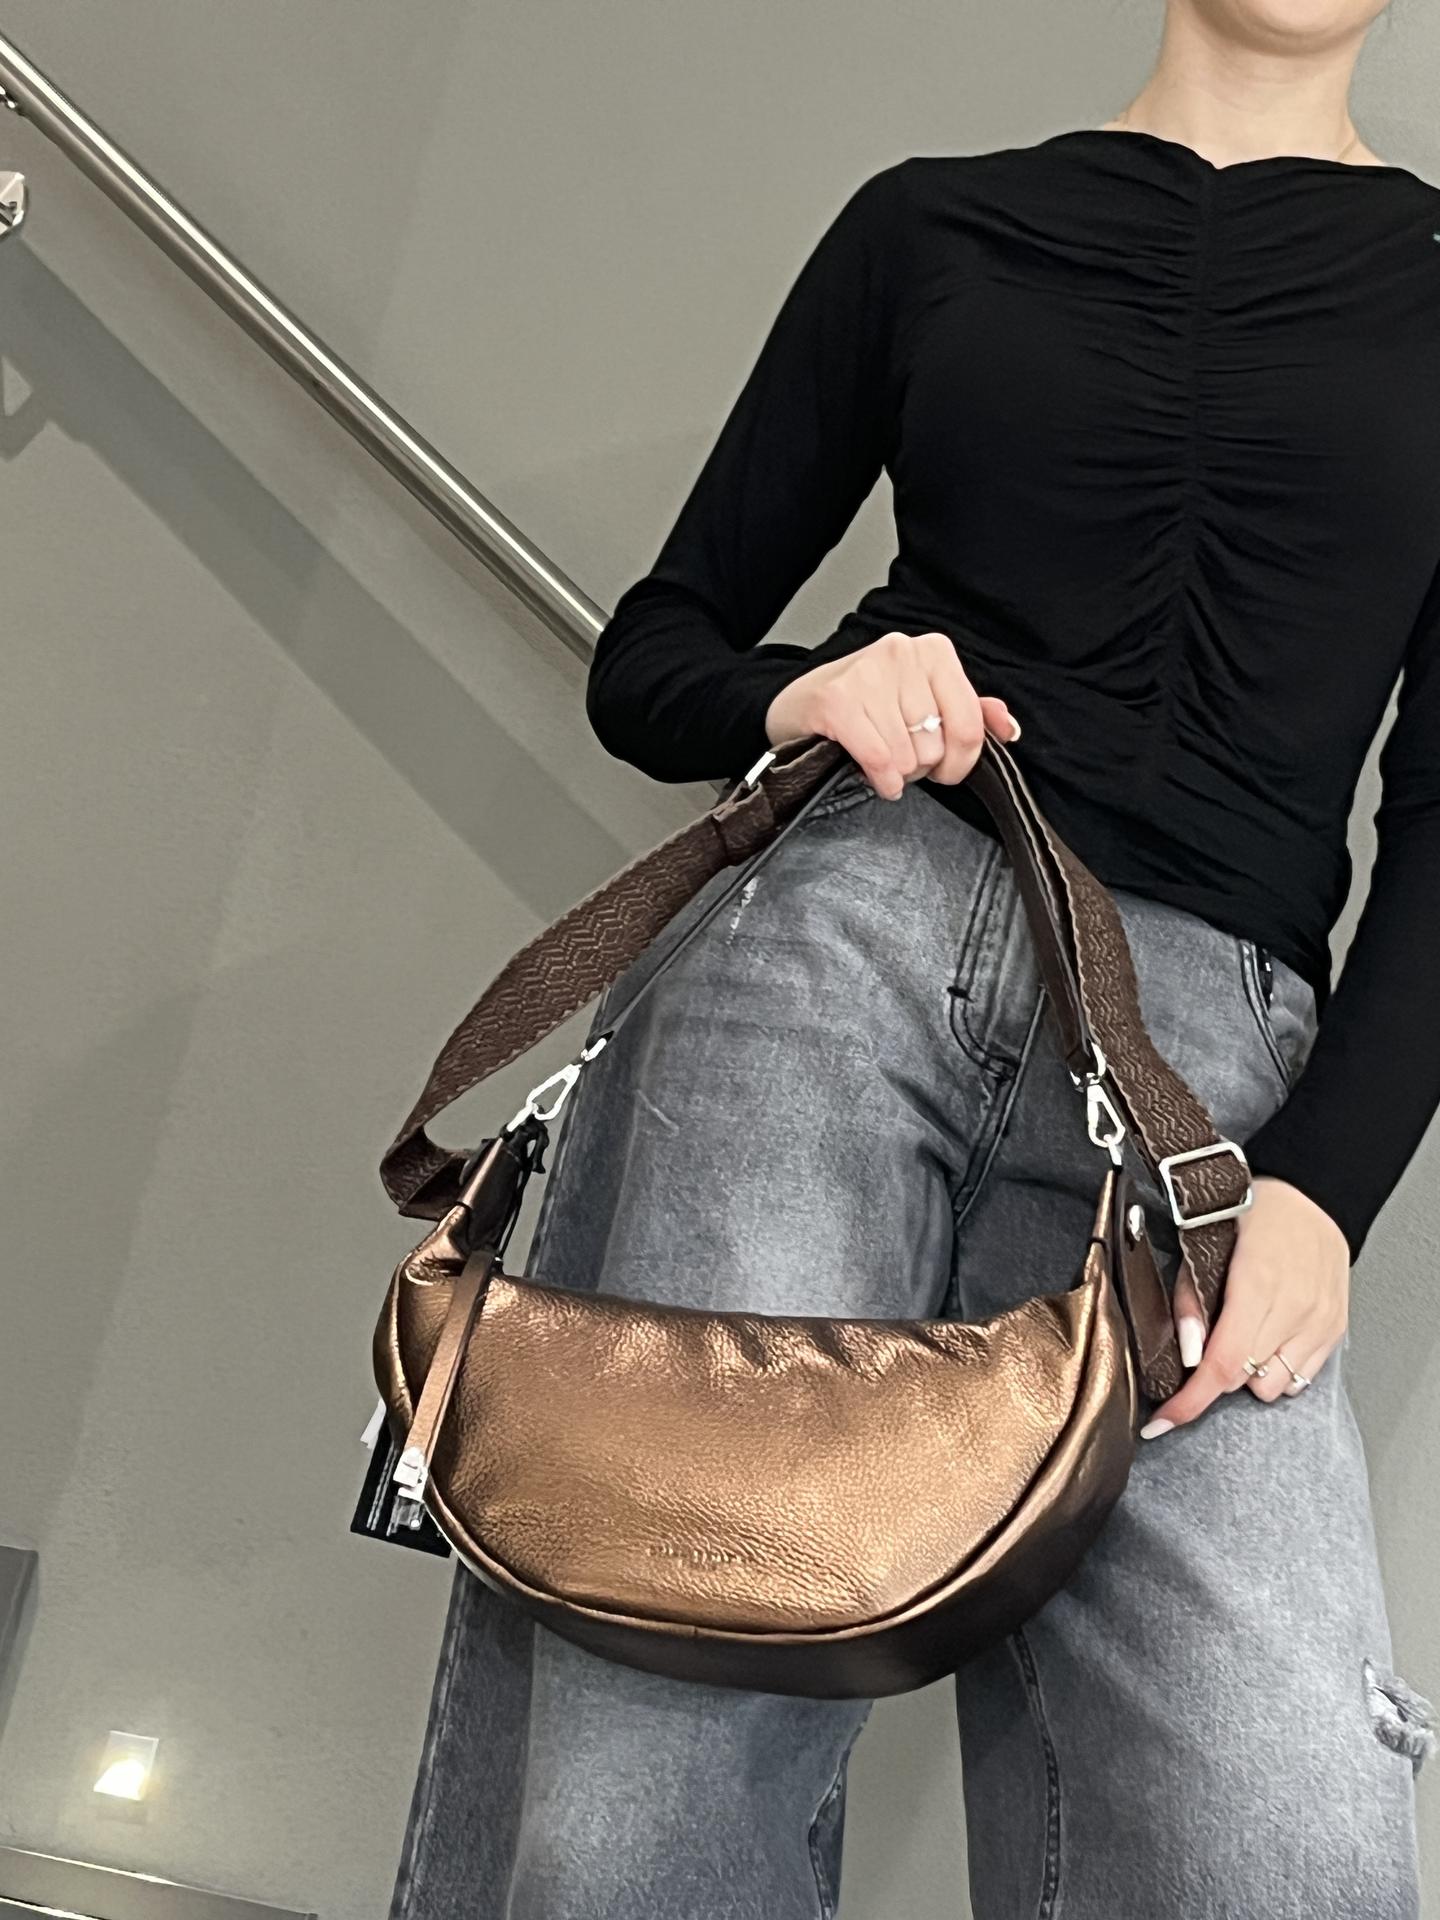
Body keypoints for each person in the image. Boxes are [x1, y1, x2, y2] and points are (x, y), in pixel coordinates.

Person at [390, 4, 1438, 1915]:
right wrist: (807, 687)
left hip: (1199, 1069)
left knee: (1282, 1833)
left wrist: (1327, 1193)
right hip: (828, 950)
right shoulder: (931, 224)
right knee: (650, 1794)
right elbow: (655, 654)